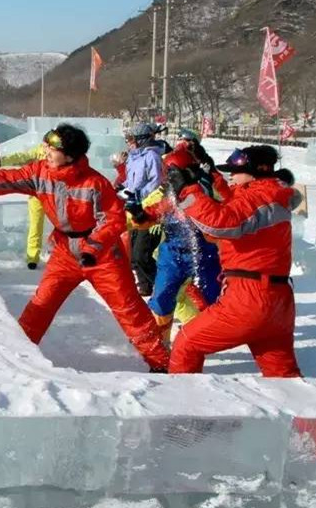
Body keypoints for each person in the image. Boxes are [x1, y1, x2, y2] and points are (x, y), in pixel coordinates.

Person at [0, 124, 170, 372]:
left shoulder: (95, 183)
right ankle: (17, 360)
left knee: (129, 310)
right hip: (65, 253)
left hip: (102, 256)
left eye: (53, 146)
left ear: (69, 155)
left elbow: (113, 220)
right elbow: (5, 178)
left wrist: (92, 249)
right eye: (46, 143)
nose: (46, 149)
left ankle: (162, 363)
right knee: (40, 306)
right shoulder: (40, 173)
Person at [166, 145, 302, 376]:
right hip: (278, 300)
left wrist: (188, 190)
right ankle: (306, 411)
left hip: (249, 297)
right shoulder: (271, 195)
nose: (231, 176)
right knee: (282, 374)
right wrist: (209, 172)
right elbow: (237, 204)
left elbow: (220, 222)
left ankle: (183, 408)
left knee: (187, 343)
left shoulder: (258, 198)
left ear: (254, 172)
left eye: (234, 172)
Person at [126, 147, 224, 347]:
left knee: (208, 301)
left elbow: (222, 210)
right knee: (162, 300)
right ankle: (160, 347)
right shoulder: (170, 195)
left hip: (204, 254)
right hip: (172, 254)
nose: (168, 177)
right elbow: (154, 213)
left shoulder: (206, 188)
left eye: (172, 172)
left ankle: (200, 339)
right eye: (167, 173)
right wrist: (139, 215)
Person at [122, 122, 166, 296]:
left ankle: (162, 286)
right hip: (134, 206)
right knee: (133, 252)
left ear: (141, 140)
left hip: (149, 208)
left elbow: (155, 183)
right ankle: (145, 284)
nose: (129, 143)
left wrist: (138, 194)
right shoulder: (133, 157)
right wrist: (122, 188)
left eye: (132, 139)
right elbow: (130, 181)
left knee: (142, 253)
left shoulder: (152, 157)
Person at [1, 144, 46, 269]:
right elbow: (22, 156)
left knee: (65, 226)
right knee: (35, 225)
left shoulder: (64, 154)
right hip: (37, 194)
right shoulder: (40, 151)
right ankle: (33, 258)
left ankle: (69, 256)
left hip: (56, 195)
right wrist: (1, 161)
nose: (48, 145)